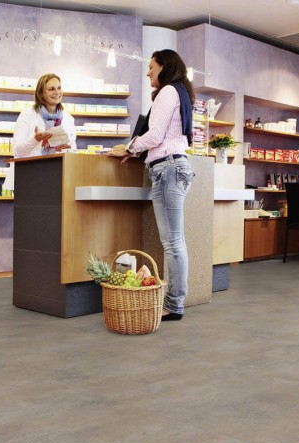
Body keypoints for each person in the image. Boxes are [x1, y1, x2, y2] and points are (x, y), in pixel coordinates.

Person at [109, 49, 195, 321]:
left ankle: (174, 305)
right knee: (175, 242)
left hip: (168, 169)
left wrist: (129, 147)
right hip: (174, 167)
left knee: (173, 243)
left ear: (164, 67)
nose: (147, 73)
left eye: (151, 67)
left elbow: (155, 135)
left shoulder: (168, 91)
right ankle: (175, 302)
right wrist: (136, 152)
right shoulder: (181, 92)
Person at [3, 73, 77, 190]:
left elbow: (73, 152)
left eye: (59, 88)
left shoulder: (68, 119)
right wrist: (36, 139)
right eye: (51, 89)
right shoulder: (28, 115)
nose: (57, 92)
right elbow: (17, 151)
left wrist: (64, 149)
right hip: (30, 178)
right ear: (41, 93)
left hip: (58, 179)